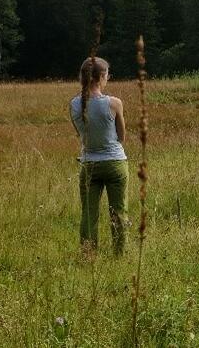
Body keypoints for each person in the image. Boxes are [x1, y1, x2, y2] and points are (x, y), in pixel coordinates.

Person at [69, 57, 129, 256]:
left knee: (89, 214)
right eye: (107, 75)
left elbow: (81, 135)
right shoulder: (114, 103)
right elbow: (122, 136)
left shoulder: (74, 105)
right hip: (114, 163)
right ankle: (119, 254)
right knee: (118, 212)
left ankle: (88, 255)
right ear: (102, 77)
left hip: (89, 164)